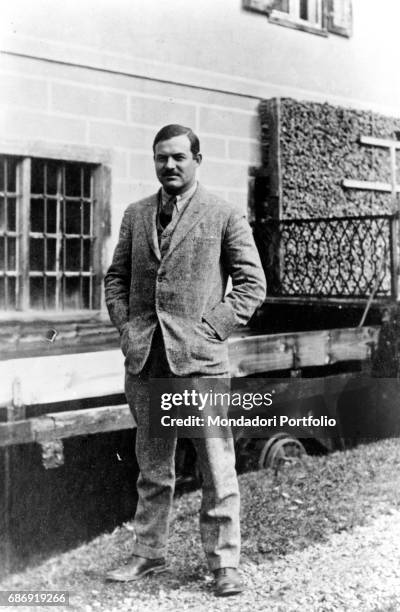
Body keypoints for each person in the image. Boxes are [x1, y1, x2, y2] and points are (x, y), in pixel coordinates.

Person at [104, 124, 266, 596]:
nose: (169, 166)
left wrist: (211, 328)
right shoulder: (136, 215)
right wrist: (128, 325)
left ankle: (224, 564)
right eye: (161, 158)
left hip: (200, 364)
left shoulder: (222, 213)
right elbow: (116, 278)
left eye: (178, 157)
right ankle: (148, 553)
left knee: (217, 466)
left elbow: (252, 285)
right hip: (147, 362)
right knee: (152, 466)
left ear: (197, 159)